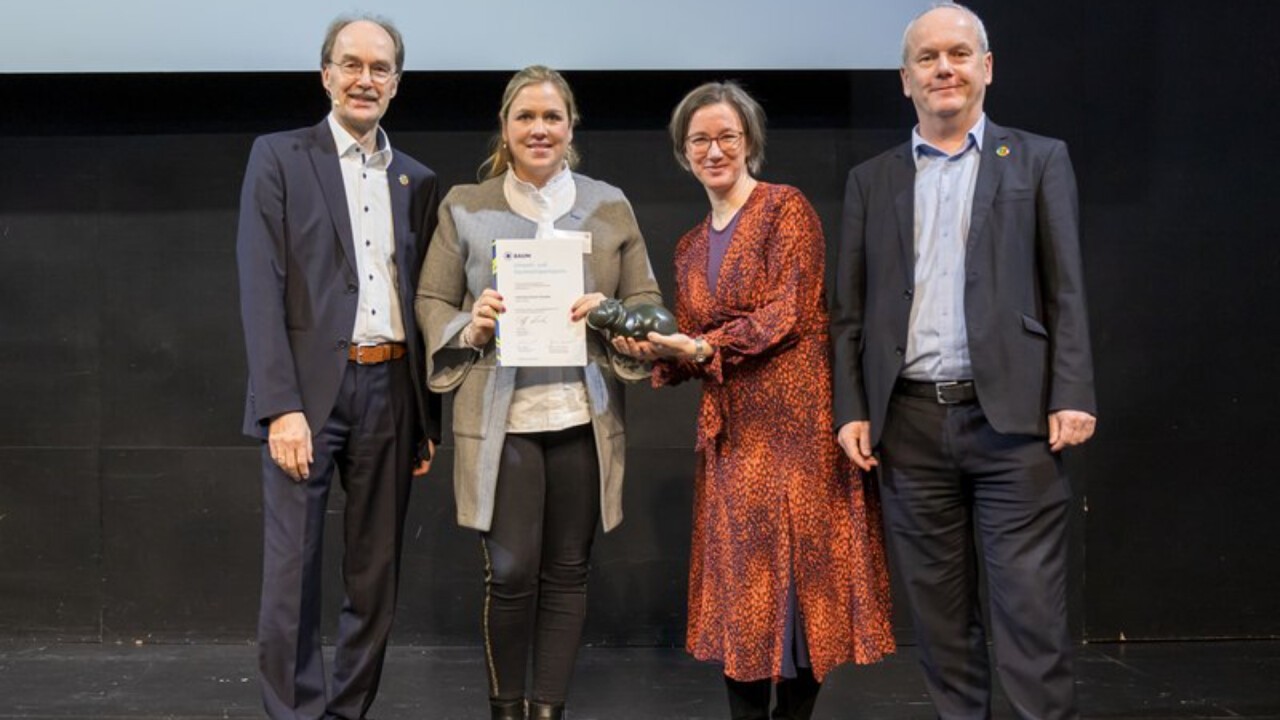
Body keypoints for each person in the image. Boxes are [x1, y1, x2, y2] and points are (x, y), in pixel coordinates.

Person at [830, 4, 1098, 719]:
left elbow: (1065, 286)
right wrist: (853, 408)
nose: (943, 68)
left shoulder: (1038, 159)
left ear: (987, 68)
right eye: (927, 58)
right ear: (905, 79)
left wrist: (1072, 390)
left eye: (958, 54)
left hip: (1015, 426)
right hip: (909, 426)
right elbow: (849, 311)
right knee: (941, 628)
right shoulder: (871, 179)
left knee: (1031, 620)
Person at [627, 81, 895, 720]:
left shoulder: (785, 209)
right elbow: (694, 340)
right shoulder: (689, 246)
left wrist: (696, 347)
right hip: (733, 436)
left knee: (805, 588)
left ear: (749, 142)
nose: (713, 150)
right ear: (682, 150)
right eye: (699, 139)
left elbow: (789, 312)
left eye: (727, 136)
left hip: (798, 425)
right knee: (742, 592)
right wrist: (662, 353)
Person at [414, 65, 662, 720]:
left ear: (571, 127)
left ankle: (548, 708)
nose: (539, 129)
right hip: (504, 420)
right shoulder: (466, 206)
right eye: (525, 117)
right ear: (505, 128)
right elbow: (433, 297)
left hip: (582, 414)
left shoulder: (609, 205)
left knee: (567, 572)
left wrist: (610, 311)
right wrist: (475, 322)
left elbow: (646, 302)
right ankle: (506, 707)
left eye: (552, 117)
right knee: (514, 571)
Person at [234, 14, 441, 720]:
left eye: (379, 68)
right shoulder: (279, 157)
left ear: (396, 84)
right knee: (292, 574)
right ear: (326, 75)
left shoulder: (418, 179)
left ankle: (346, 712)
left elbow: (424, 300)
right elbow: (260, 288)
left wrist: (425, 417)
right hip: (307, 399)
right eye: (350, 64)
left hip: (392, 392)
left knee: (375, 574)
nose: (365, 78)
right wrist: (278, 406)